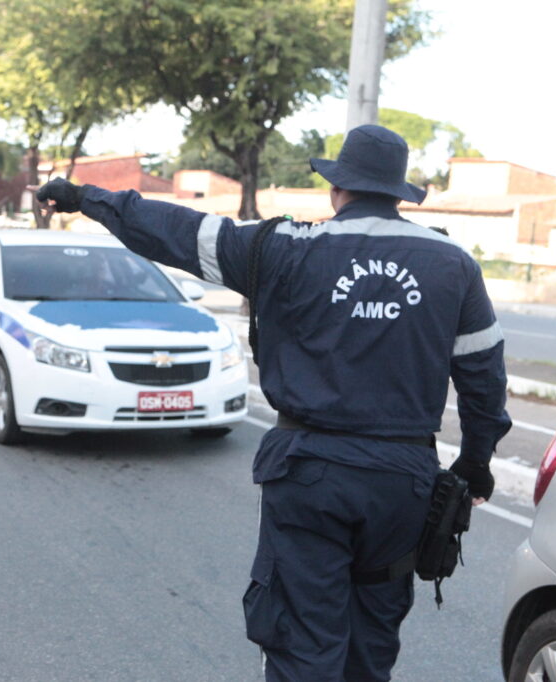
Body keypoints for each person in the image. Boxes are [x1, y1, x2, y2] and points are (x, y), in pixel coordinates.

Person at [35, 124, 511, 682]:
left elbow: (176, 230)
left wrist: (83, 197)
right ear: (398, 192)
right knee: (372, 645)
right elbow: (483, 377)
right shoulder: (452, 262)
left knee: (303, 643)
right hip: (401, 484)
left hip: (309, 476)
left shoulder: (281, 249)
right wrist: (475, 465)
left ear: (339, 189)